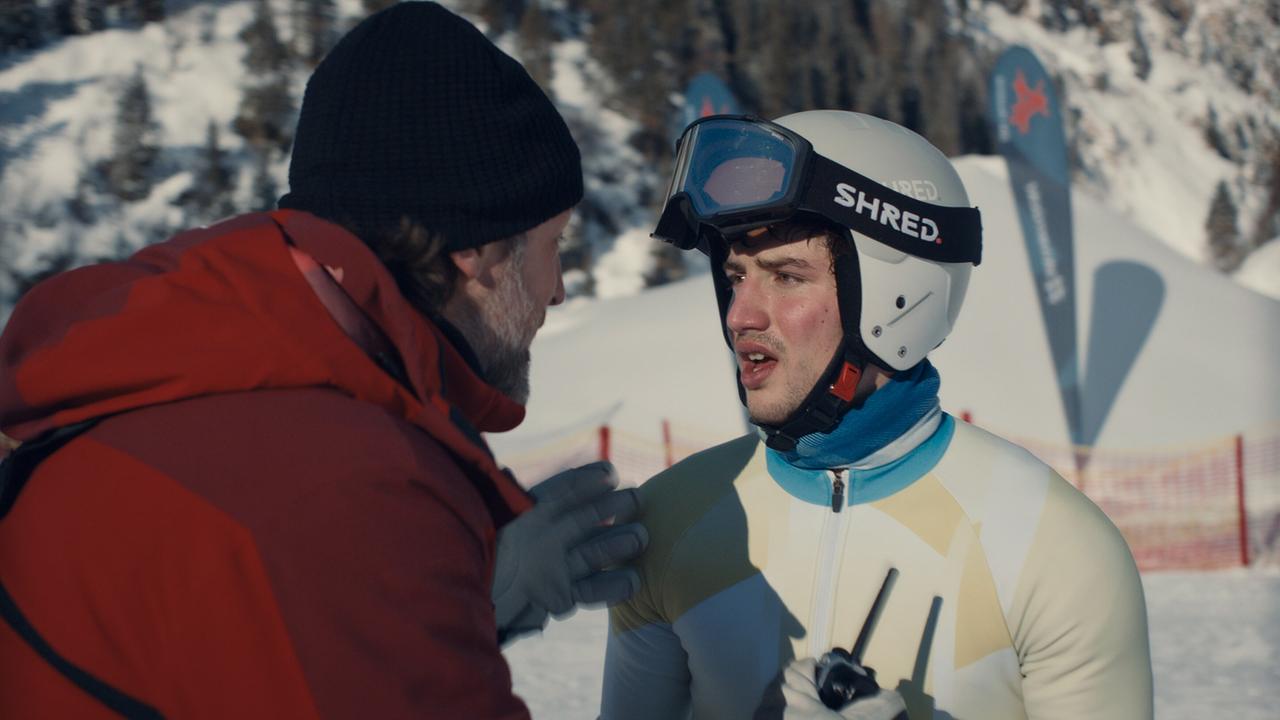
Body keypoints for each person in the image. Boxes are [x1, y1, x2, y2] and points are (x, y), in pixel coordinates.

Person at [0, 3, 646, 718]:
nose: (558, 288)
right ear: (476, 250)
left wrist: (462, 605)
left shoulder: (173, 372)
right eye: (554, 243)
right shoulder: (354, 489)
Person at [602, 111, 1152, 719]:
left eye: (786, 277)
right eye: (736, 277)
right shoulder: (671, 522)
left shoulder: (1055, 548)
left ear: (899, 299)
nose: (740, 316)